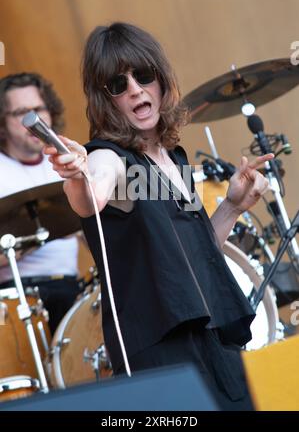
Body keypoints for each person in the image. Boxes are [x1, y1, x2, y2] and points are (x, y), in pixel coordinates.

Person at [45, 23, 272, 410]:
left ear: (161, 80)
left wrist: (232, 206)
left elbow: (195, 253)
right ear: (107, 100)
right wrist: (77, 175)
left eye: (143, 75)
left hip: (213, 334)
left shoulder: (173, 160)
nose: (135, 88)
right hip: (161, 352)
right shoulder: (113, 158)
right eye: (119, 84)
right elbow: (93, 194)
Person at [0, 72, 82, 334]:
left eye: (38, 109)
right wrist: (40, 232)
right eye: (21, 112)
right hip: (17, 298)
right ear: (2, 123)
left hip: (72, 289)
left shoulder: (65, 160)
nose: (31, 120)